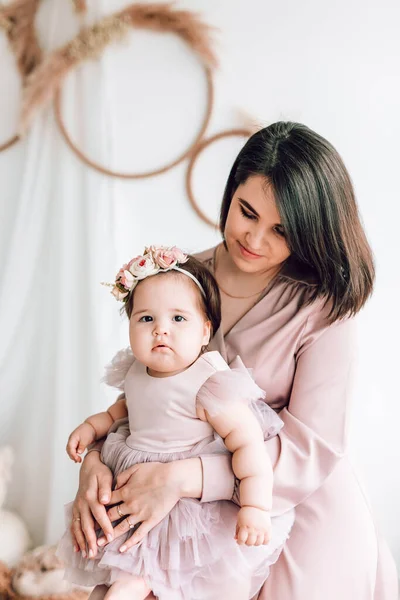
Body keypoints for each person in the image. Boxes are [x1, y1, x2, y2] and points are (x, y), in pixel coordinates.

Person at [70, 122, 399, 600]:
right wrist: (95, 466)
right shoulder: (179, 279)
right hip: (180, 521)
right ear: (230, 191)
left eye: (282, 230)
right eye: (247, 212)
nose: (255, 238)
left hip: (295, 511)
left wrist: (185, 479)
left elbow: (312, 450)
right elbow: (148, 392)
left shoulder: (325, 308)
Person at [58, 246, 294, 600]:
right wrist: (93, 427)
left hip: (183, 508)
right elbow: (123, 410)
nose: (160, 331)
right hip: (134, 487)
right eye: (146, 319)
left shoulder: (209, 383)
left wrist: (256, 507)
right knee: (107, 584)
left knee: (132, 585)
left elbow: (248, 444)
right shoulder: (136, 371)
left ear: (204, 332)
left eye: (178, 319)